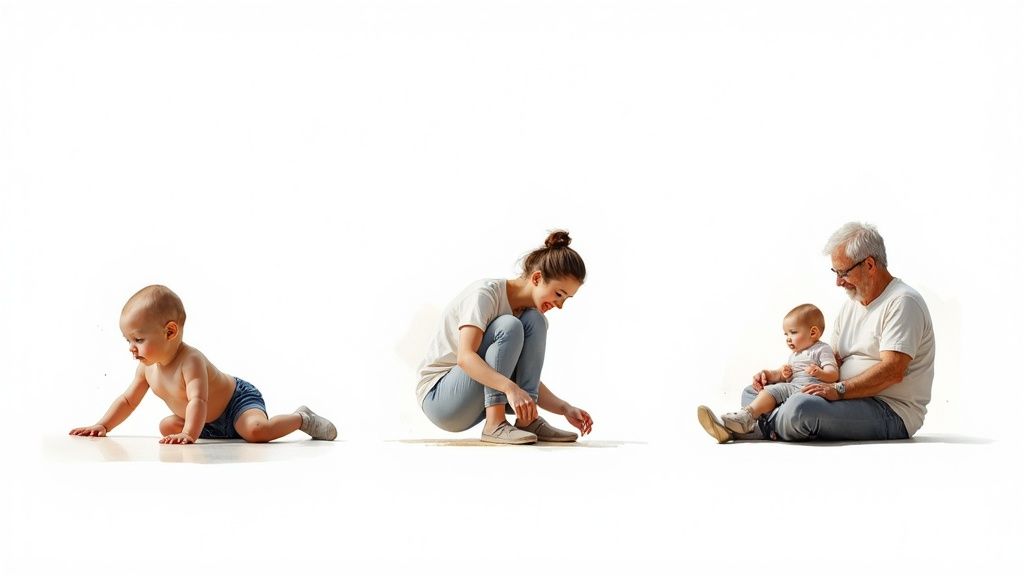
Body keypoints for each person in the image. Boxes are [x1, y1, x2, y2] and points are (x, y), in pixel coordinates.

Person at [700, 222, 935, 442]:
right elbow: (831, 359)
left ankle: (754, 426)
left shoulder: (902, 302)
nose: (838, 282)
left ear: (870, 265)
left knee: (800, 409)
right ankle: (759, 421)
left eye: (843, 273)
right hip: (844, 396)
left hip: (889, 410)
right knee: (754, 392)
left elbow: (893, 371)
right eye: (835, 272)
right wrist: (782, 377)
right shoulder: (852, 305)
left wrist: (838, 390)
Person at [70, 285, 337, 444]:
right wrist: (103, 425)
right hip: (206, 421)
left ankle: (302, 418)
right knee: (166, 427)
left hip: (235, 403)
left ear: (170, 332)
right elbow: (128, 400)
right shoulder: (146, 369)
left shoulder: (191, 360)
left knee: (256, 431)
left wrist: (189, 433)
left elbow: (198, 401)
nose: (132, 347)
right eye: (128, 340)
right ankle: (215, 434)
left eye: (138, 339)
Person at [417, 230, 594, 445]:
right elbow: (465, 357)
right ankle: (495, 424)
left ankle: (527, 420)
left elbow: (520, 376)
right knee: (509, 325)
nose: (560, 305)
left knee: (535, 321)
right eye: (558, 294)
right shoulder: (485, 295)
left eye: (566, 298)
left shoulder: (529, 316)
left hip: (473, 398)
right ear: (537, 278)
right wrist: (510, 388)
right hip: (440, 398)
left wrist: (564, 407)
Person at [697, 304, 838, 443]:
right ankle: (738, 429)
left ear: (813, 332)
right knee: (754, 391)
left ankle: (747, 418)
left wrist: (819, 373)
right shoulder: (795, 355)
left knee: (772, 391)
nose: (788, 338)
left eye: (793, 332)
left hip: (807, 390)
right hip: (793, 388)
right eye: (786, 334)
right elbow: (782, 377)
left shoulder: (822, 349)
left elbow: (833, 374)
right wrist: (776, 374)